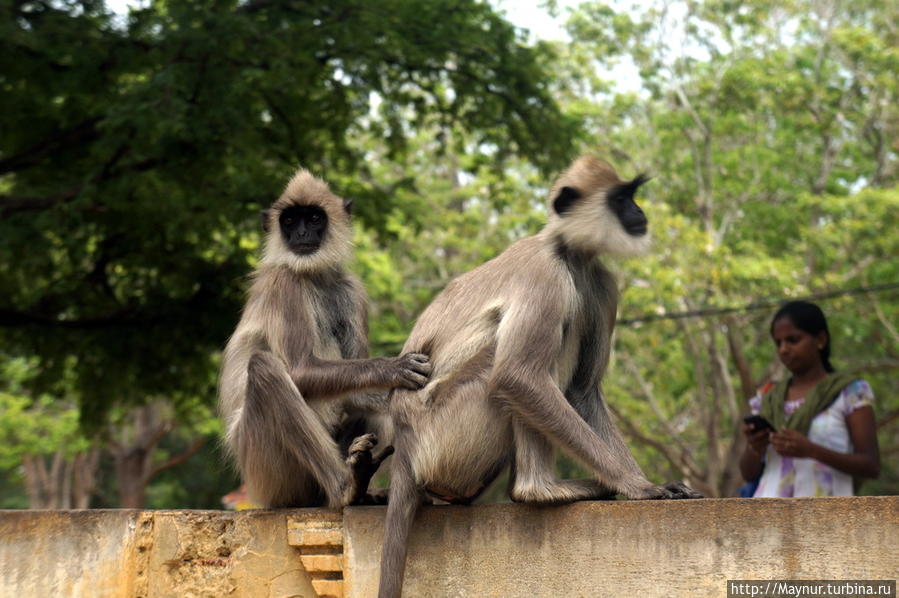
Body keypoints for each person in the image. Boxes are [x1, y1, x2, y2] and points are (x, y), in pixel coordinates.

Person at [739, 300, 880, 497]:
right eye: (778, 342)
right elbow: (748, 474)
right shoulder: (768, 397)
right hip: (770, 516)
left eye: (793, 340)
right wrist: (755, 447)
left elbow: (871, 466)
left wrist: (812, 450)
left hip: (828, 515)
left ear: (820, 339)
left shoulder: (850, 392)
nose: (783, 349)